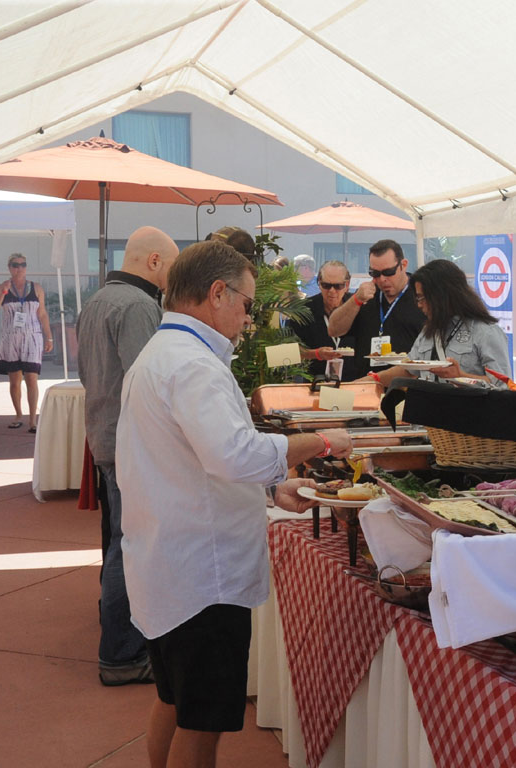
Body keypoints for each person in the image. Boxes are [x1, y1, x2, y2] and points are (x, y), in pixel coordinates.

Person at [117, 240, 352, 768]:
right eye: (248, 304)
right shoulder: (192, 363)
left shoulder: (165, 353)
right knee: (201, 725)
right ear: (216, 292)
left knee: (174, 701)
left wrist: (270, 488)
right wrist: (323, 441)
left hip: (171, 561)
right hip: (203, 576)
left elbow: (195, 461)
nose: (250, 318)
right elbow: (231, 453)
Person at [77, 226, 180, 686]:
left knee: (121, 540)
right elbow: (150, 380)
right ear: (154, 262)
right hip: (128, 442)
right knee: (130, 545)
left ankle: (118, 637)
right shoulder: (139, 305)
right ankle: (120, 654)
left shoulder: (99, 298)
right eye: (172, 268)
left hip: (105, 434)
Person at [363, 259, 510, 386]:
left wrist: (460, 376)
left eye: (422, 298)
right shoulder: (429, 331)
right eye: (417, 299)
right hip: (429, 414)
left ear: (442, 296)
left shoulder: (485, 332)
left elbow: (502, 385)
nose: (419, 305)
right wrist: (372, 379)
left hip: (469, 416)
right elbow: (409, 369)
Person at [325, 239, 426, 381]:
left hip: (406, 387)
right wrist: (356, 300)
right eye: (375, 274)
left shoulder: (420, 295)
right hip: (367, 384)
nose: (382, 279)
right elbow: (333, 329)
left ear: (403, 265)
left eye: (388, 272)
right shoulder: (367, 295)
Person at [0, 253, 53, 431]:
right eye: (15, 265)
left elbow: (42, 314)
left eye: (23, 265)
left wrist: (49, 336)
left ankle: (33, 419)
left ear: (26, 267)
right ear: (9, 267)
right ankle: (18, 414)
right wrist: (3, 292)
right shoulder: (2, 287)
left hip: (32, 337)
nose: (19, 268)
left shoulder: (36, 288)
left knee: (32, 378)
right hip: (11, 338)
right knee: (15, 380)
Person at [286, 260, 353, 378]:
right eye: (326, 285)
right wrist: (315, 354)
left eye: (338, 286)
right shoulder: (304, 310)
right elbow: (285, 352)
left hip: (356, 384)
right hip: (316, 383)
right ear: (319, 283)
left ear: (346, 285)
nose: (332, 291)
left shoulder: (358, 308)